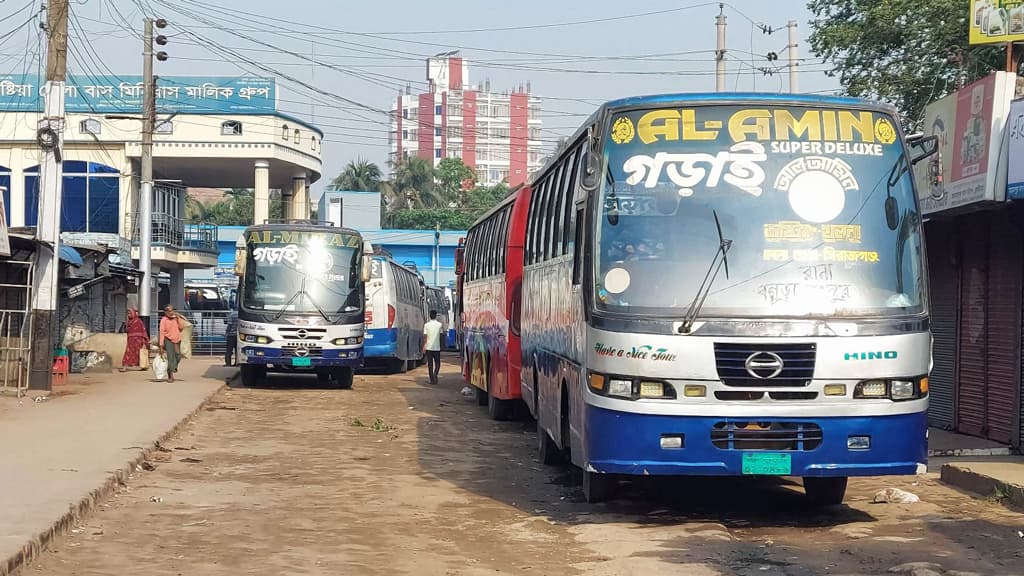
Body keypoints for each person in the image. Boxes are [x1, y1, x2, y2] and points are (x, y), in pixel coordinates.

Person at [159, 305, 184, 382]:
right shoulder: (164, 320)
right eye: (169, 311)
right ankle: (170, 376)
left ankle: (173, 367)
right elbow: (162, 332)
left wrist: (178, 317)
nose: (171, 312)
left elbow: (181, 327)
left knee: (178, 355)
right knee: (170, 358)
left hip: (177, 339)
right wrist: (161, 345)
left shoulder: (176, 319)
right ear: (165, 312)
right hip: (168, 339)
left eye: (172, 310)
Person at [120, 308, 149, 372]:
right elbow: (127, 331)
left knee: (138, 353)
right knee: (128, 353)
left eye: (130, 313)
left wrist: (144, 341)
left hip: (138, 341)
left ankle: (141, 365)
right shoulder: (129, 322)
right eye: (128, 313)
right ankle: (125, 366)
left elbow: (143, 331)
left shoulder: (138, 321)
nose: (129, 315)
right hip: (130, 340)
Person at [422, 310, 443, 385]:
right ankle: (435, 375)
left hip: (429, 347)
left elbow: (425, 337)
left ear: (430, 316)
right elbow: (441, 336)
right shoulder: (439, 325)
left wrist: (424, 346)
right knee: (437, 363)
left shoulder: (426, 325)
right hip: (437, 347)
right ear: (436, 316)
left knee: (430, 364)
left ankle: (431, 380)